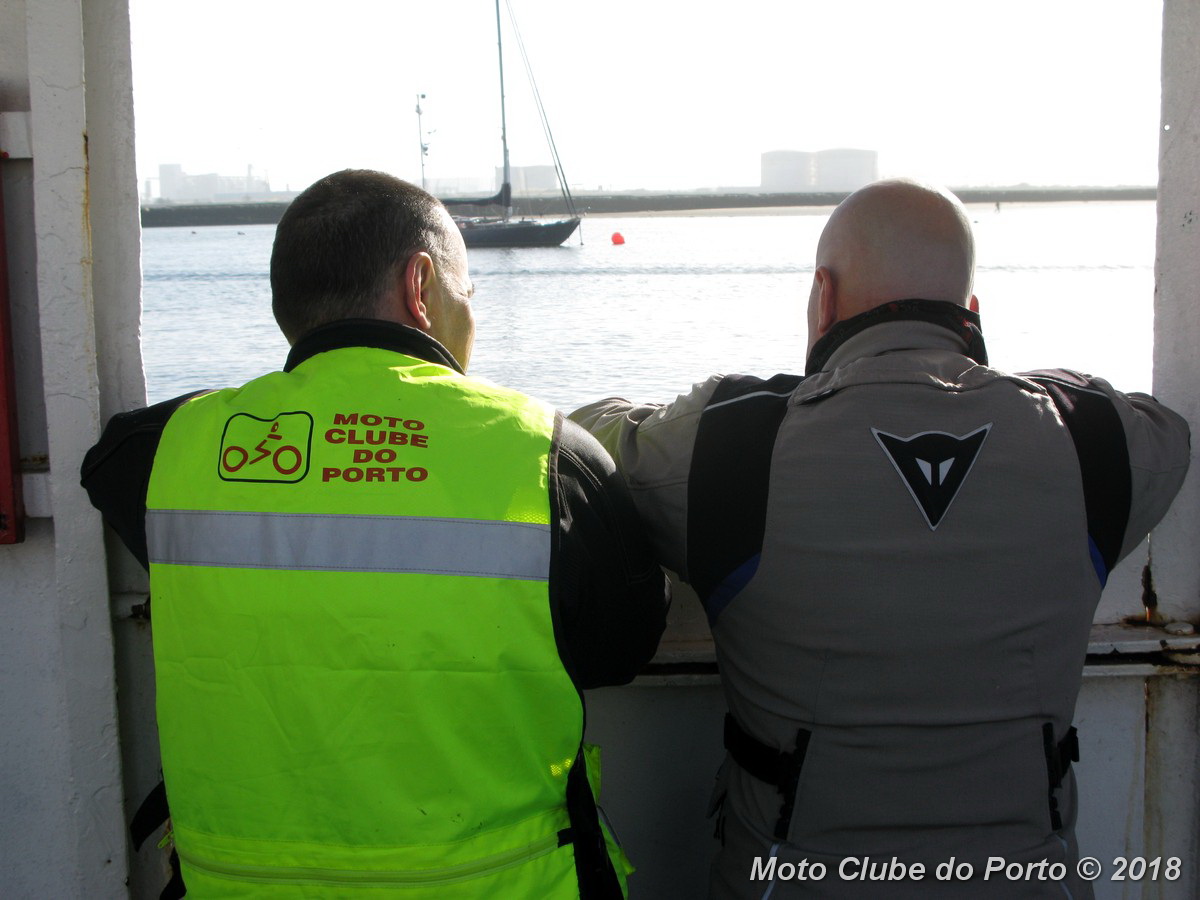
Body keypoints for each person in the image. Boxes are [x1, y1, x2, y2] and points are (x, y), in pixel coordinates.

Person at [571, 179, 1190, 899]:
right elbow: (1164, 429)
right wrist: (1009, 391)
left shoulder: (732, 444)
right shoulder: (1091, 441)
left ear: (823, 296)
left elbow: (584, 446)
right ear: (973, 314)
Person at [81, 169, 669, 898]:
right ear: (420, 286)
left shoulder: (172, 448)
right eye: (468, 291)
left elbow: (107, 460)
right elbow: (623, 645)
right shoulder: (546, 452)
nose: (472, 313)